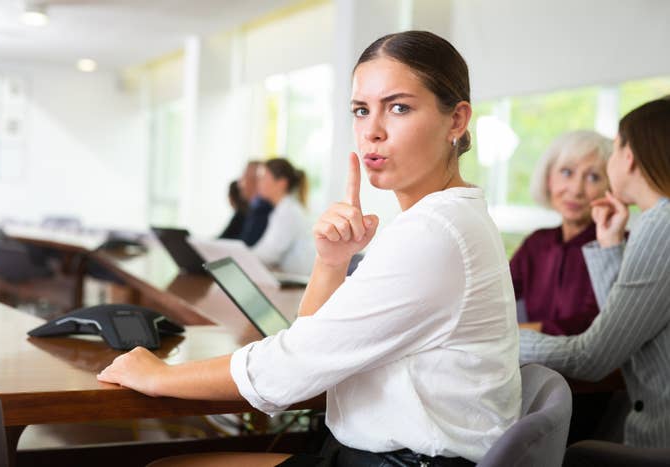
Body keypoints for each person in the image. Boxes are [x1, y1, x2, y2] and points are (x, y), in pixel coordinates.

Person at [97, 30, 521, 466]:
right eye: (361, 110)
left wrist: (160, 375)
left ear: (456, 120)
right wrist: (331, 262)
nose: (372, 131)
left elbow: (291, 370)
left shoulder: (435, 232)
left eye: (398, 107)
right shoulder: (445, 219)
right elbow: (311, 344)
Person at [520, 97, 670, 451]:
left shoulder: (660, 227)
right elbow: (627, 328)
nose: (576, 188)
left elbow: (594, 357)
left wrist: (503, 339)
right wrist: (610, 245)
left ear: (628, 156)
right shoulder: (655, 224)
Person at [510, 130, 612, 336]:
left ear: (611, 188)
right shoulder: (536, 243)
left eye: (593, 177)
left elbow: (593, 328)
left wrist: (513, 333)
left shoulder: (615, 246)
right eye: (567, 172)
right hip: (535, 361)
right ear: (549, 179)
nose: (576, 189)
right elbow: (495, 298)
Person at [251, 158, 315, 276]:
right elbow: (266, 248)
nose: (258, 182)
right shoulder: (282, 209)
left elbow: (269, 254)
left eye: (263, 177)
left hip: (298, 283)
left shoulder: (288, 212)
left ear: (281, 183)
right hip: (290, 276)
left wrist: (241, 257)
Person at [238, 160, 274, 246]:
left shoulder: (263, 210)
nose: (239, 184)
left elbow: (247, 244)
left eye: (244, 177)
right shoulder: (252, 208)